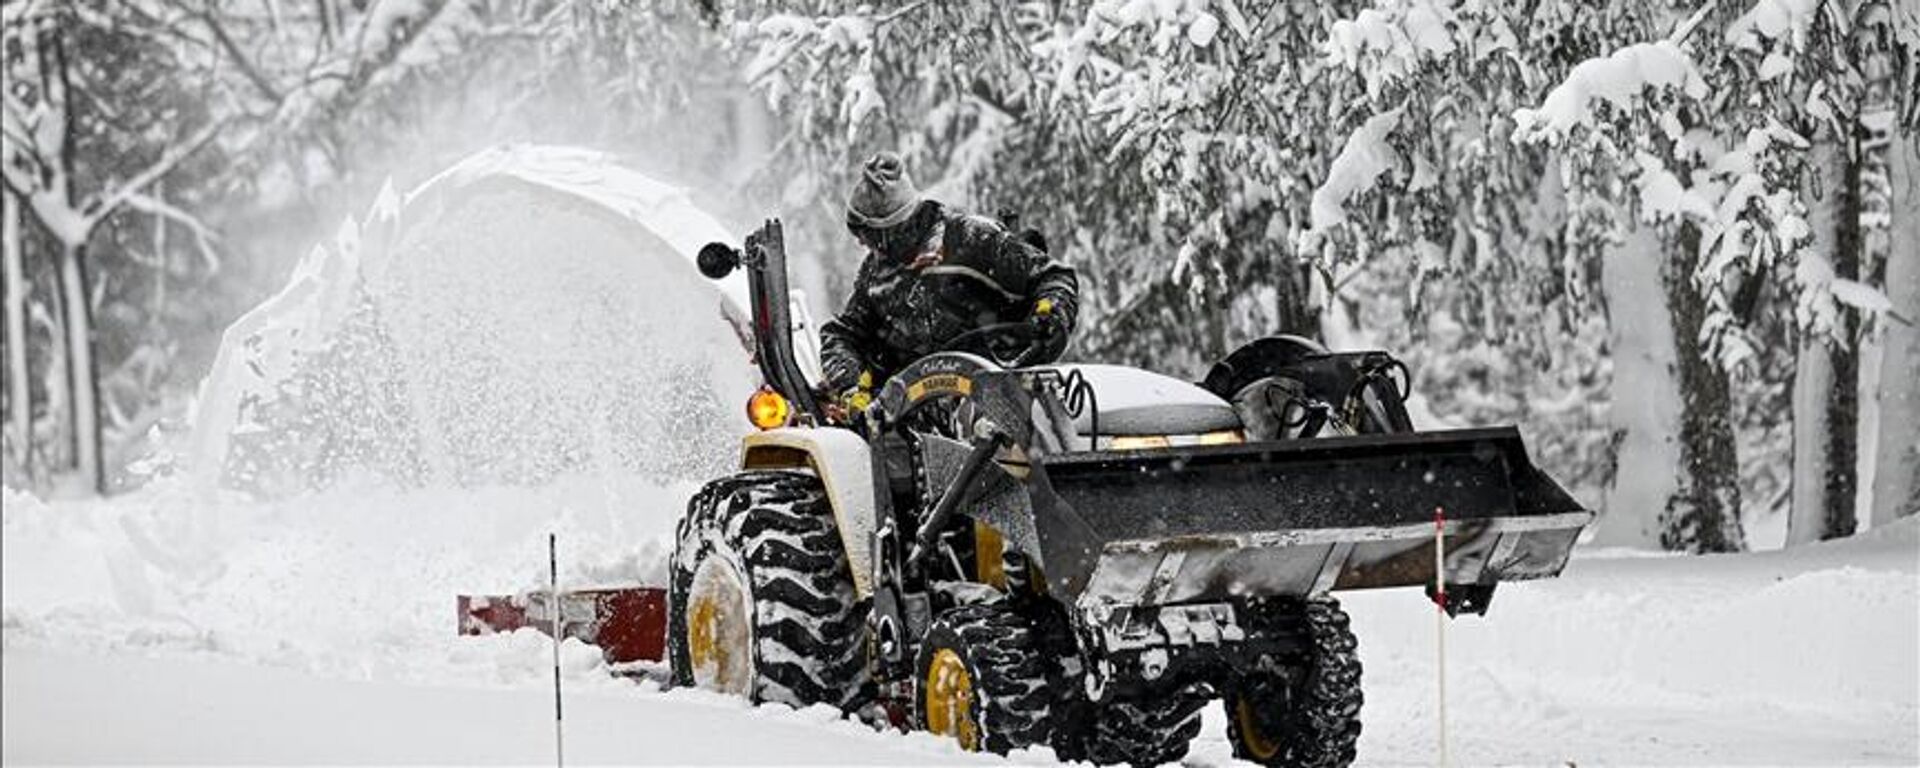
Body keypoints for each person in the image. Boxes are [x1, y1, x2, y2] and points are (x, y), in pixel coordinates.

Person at [818, 152, 1079, 414]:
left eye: (867, 234)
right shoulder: (876, 273)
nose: (861, 243)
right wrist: (851, 387)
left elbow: (1054, 278)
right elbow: (841, 335)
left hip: (1003, 401)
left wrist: (1050, 313)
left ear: (892, 227)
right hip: (918, 420)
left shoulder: (972, 238)